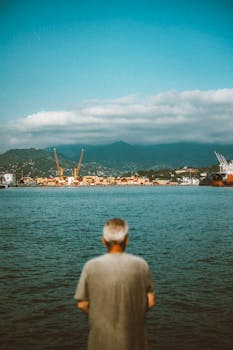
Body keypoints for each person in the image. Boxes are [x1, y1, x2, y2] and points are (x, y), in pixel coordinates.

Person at [74, 218, 156, 350]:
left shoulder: (90, 266)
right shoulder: (141, 265)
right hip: (135, 342)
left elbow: (82, 304)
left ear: (103, 241)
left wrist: (99, 315)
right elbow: (151, 301)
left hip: (100, 342)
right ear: (127, 240)